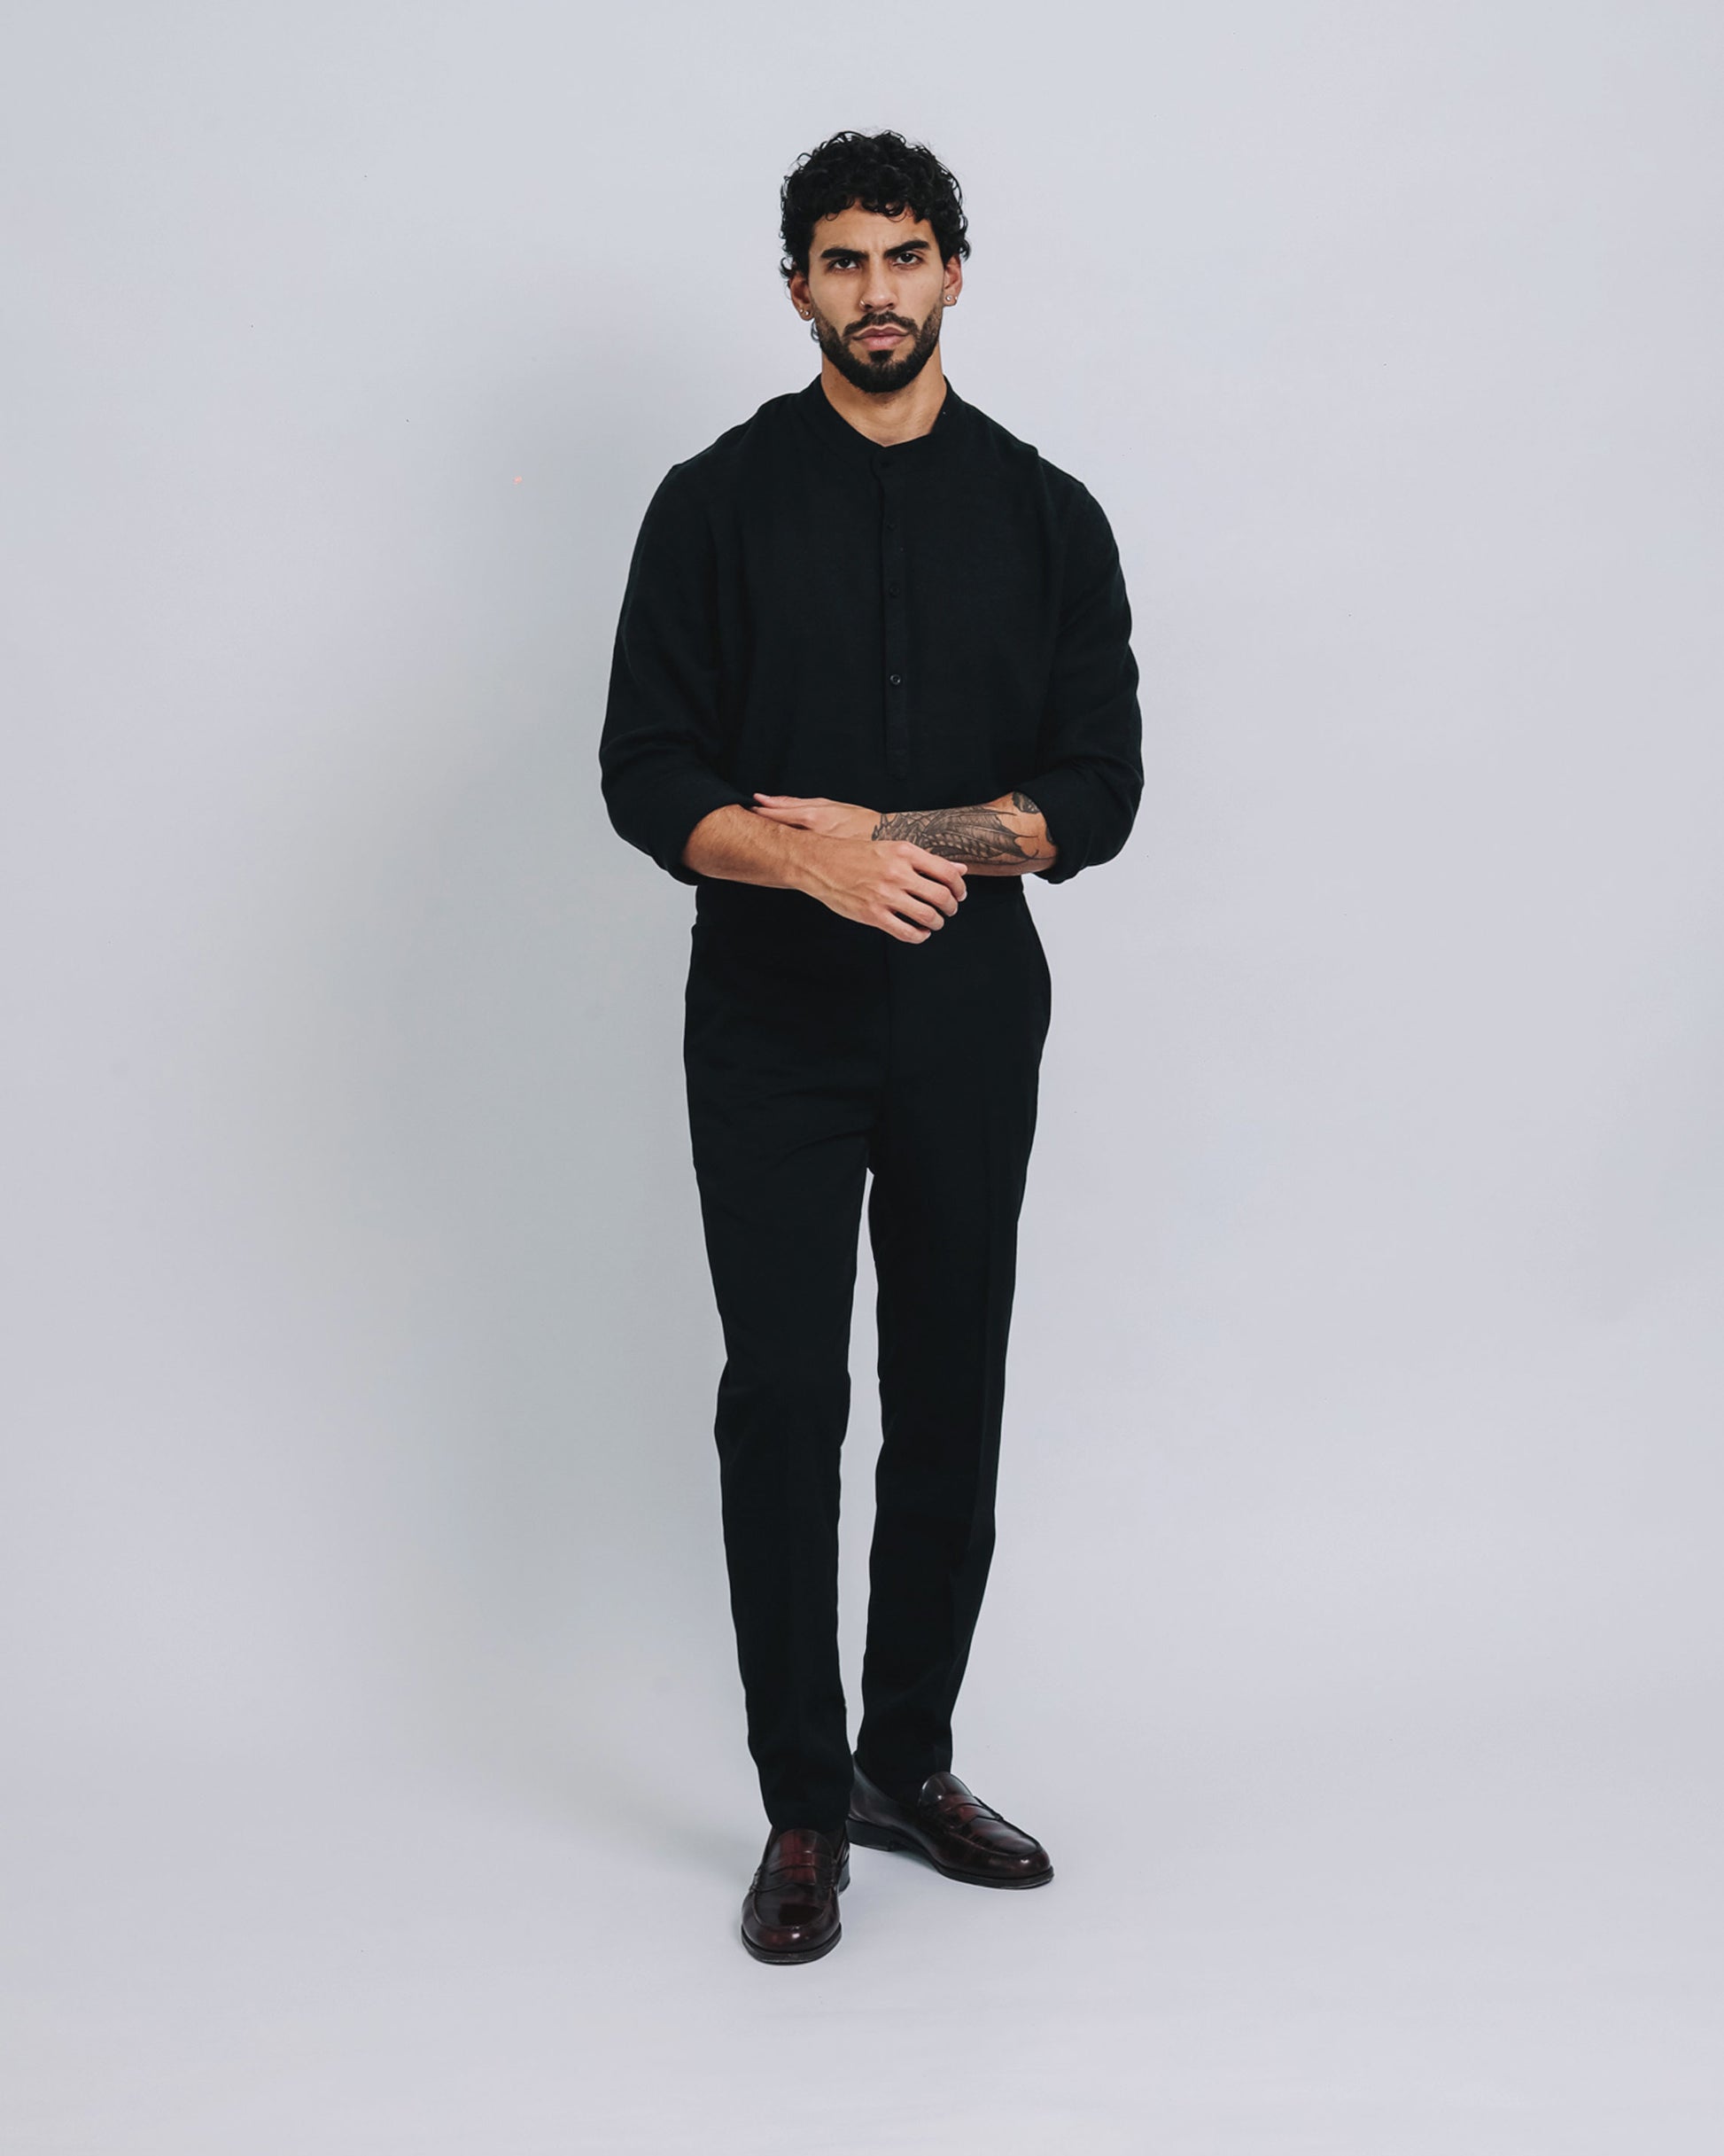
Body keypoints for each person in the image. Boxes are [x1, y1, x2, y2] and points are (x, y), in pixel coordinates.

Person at [599, 128, 1143, 1964]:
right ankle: (802, 1800)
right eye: (842, 260)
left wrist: (896, 839)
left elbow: (1098, 790)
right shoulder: (712, 504)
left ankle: (907, 1758)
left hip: (970, 1018)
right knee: (785, 1395)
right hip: (769, 1016)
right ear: (796, 290)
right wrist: (804, 862)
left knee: (948, 1385)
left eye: (906, 256)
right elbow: (646, 772)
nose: (877, 289)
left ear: (954, 274)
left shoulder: (1049, 514)